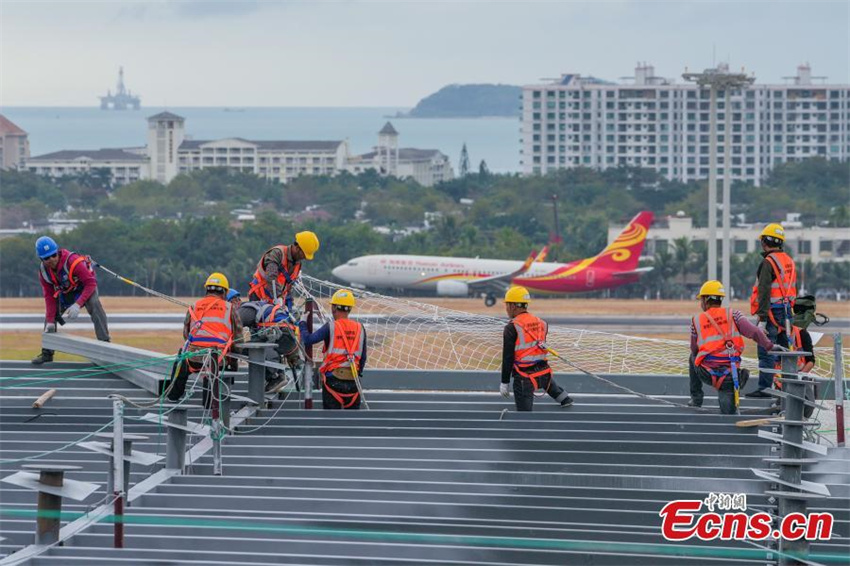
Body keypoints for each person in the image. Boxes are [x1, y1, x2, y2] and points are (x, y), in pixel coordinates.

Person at [689, 280, 783, 414]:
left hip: (707, 373)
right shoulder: (734, 314)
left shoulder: (696, 320)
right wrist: (769, 346)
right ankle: (737, 382)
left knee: (692, 357)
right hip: (729, 375)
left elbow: (694, 349)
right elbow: (755, 332)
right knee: (729, 415)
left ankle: (696, 399)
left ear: (705, 300)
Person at [167, 273, 243, 409]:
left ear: (207, 289)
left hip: (193, 359)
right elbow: (238, 339)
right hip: (217, 360)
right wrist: (234, 358)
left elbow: (186, 335)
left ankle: (173, 397)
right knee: (214, 371)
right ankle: (209, 406)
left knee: (181, 359)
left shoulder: (194, 306)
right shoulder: (230, 308)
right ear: (225, 292)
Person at [32, 236, 110, 365]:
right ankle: (47, 353)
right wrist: (51, 321)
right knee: (49, 318)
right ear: (41, 259)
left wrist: (78, 304)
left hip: (86, 288)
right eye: (46, 258)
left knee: (95, 306)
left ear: (57, 252)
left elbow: (91, 283)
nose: (51, 260)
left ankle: (105, 346)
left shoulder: (73, 262)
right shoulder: (43, 272)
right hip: (67, 291)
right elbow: (49, 296)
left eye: (53, 255)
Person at [501, 286, 573, 411]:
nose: (506, 309)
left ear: (513, 306)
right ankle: (564, 399)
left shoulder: (512, 327)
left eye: (507, 305)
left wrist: (504, 382)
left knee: (525, 416)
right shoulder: (542, 323)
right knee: (563, 398)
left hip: (525, 378)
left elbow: (508, 358)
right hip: (544, 373)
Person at [747, 223, 797, 398]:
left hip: (771, 313)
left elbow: (764, 291)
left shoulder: (768, 262)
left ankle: (765, 388)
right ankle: (788, 388)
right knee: (786, 352)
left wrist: (762, 319)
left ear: (765, 241)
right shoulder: (789, 261)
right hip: (787, 313)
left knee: (766, 349)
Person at [299, 289, 367, 410]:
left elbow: (308, 340)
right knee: (354, 422)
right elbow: (363, 358)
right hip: (353, 382)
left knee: (330, 422)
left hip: (333, 381)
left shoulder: (331, 327)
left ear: (334, 308)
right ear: (350, 309)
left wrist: (303, 323)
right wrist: (358, 372)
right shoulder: (360, 328)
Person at [239, 299, 302, 394]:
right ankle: (279, 374)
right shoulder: (258, 307)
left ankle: (275, 377)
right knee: (257, 341)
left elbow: (234, 325)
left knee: (247, 349)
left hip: (281, 336)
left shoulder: (243, 310)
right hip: (287, 337)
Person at [248, 231, 319, 307]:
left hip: (275, 301)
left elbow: (288, 287)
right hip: (259, 297)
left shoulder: (297, 264)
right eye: (304, 254)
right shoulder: (277, 253)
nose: (305, 258)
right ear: (298, 248)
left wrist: (289, 303)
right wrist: (278, 297)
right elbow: (271, 276)